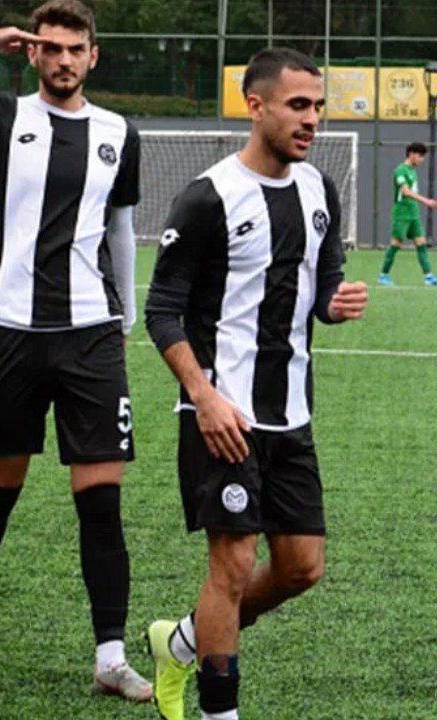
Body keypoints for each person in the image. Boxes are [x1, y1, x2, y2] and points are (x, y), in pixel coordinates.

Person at [143, 48, 369, 720]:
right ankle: (220, 713)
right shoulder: (208, 196)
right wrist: (203, 396)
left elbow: (324, 280)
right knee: (233, 566)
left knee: (302, 567)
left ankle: (180, 642)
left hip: (292, 411)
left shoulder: (320, 190)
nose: (312, 120)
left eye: (318, 107)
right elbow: (162, 310)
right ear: (256, 106)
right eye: (298, 106)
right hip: (224, 413)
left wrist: (334, 303)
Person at [0, 0, 150, 699]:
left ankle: (110, 657)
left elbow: (121, 226)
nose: (62, 59)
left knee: (101, 502)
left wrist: (127, 314)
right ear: (32, 53)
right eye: (50, 47)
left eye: (74, 48)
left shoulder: (118, 132)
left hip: (92, 336)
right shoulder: (0, 117)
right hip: (13, 336)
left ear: (93, 56)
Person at [379, 141, 437, 287]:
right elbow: (405, 192)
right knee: (396, 244)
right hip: (402, 214)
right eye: (420, 156)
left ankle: (429, 276)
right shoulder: (400, 170)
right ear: (411, 154)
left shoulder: (413, 171)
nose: (422, 159)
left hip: (413, 214)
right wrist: (426, 201)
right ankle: (383, 275)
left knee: (421, 243)